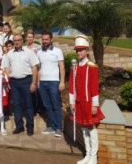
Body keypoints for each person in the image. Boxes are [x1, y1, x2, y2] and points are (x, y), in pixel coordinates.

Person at [69, 35, 105, 164]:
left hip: (89, 102)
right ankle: (88, 155)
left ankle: (93, 157)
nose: (79, 52)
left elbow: (94, 87)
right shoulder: (74, 66)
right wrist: (72, 101)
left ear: (87, 51)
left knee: (91, 128)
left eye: (81, 50)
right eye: (77, 50)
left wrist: (95, 105)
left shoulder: (92, 67)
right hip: (79, 102)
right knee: (84, 128)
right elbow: (71, 85)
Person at [1, 34, 39, 136]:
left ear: (22, 40)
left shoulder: (29, 52)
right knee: (16, 105)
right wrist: (8, 77)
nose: (17, 42)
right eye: (15, 40)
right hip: (14, 83)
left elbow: (35, 68)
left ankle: (30, 127)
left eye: (19, 40)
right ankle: (19, 126)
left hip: (27, 81)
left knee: (28, 105)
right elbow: (6, 67)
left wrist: (34, 83)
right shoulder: (9, 54)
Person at [37, 32, 65, 137]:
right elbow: (39, 69)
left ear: (51, 40)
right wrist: (38, 82)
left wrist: (62, 81)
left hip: (54, 81)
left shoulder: (58, 51)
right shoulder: (39, 52)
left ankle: (58, 128)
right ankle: (51, 126)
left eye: (46, 39)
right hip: (43, 83)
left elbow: (62, 67)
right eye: (43, 39)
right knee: (47, 106)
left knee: (56, 105)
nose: (44, 41)